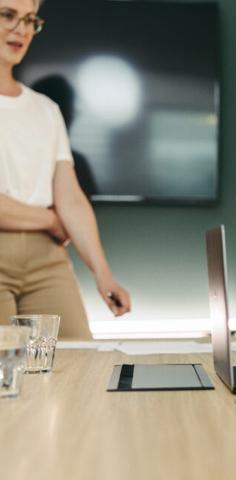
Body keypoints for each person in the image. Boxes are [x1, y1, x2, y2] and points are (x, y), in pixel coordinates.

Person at [0, 0, 130, 339]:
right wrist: (49, 219)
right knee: (5, 380)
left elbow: (69, 197)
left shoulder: (46, 110)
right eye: (7, 15)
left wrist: (103, 275)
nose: (21, 29)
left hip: (47, 259)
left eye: (29, 20)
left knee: (79, 366)